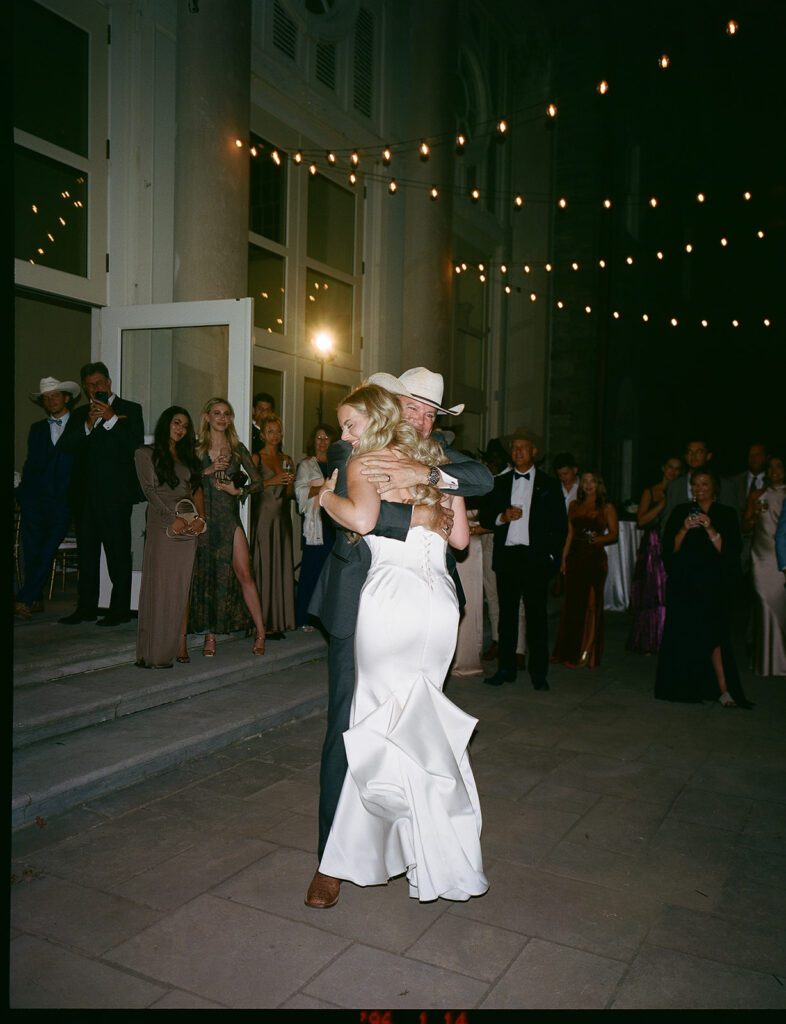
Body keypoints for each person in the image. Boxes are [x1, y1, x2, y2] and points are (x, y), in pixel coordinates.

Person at [304, 366, 493, 910]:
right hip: (361, 606)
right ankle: (329, 863)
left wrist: (427, 475)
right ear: (390, 404)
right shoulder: (355, 442)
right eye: (414, 407)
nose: (424, 418)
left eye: (432, 412)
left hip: (422, 606)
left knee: (417, 729)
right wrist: (425, 504)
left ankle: (421, 846)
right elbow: (369, 516)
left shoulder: (437, 455)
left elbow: (481, 478)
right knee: (350, 727)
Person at [655, 468, 752, 708]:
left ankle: (724, 689)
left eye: (704, 484)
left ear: (714, 488)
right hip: (684, 583)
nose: (699, 489)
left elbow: (730, 552)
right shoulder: (681, 511)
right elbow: (670, 549)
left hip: (712, 585)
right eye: (695, 485)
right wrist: (684, 529)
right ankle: (683, 685)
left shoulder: (726, 513)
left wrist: (710, 528)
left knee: (715, 634)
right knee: (684, 633)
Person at [479, 428, 567, 690]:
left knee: (537, 617)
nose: (517, 452)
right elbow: (485, 517)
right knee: (507, 618)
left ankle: (538, 673)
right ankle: (505, 669)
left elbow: (559, 525)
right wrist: (501, 517)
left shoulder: (549, 484)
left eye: (523, 447)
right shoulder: (501, 482)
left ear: (534, 452)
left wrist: (551, 557)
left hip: (535, 559)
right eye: (514, 448)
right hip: (508, 558)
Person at [58, 362, 145, 627]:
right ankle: (86, 608)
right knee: (87, 555)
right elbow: (66, 446)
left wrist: (110, 420)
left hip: (116, 497)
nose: (94, 389)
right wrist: (87, 423)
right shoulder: (81, 414)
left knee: (118, 553)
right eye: (89, 386)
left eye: (98, 383)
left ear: (108, 383)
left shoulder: (130, 410)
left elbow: (134, 447)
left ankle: (118, 610)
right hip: (85, 499)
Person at [189, 397, 266, 657]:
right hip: (205, 522)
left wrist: (238, 490)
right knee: (209, 576)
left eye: (226, 414)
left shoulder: (236, 449)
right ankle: (210, 637)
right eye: (217, 413)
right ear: (207, 417)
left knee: (245, 574)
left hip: (230, 521)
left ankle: (261, 631)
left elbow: (258, 482)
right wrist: (207, 471)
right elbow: (184, 481)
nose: (222, 418)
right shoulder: (197, 450)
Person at [134, 407, 205, 668]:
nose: (181, 429)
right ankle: (154, 653)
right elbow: (149, 491)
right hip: (163, 525)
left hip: (188, 526)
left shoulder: (188, 458)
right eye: (177, 423)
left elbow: (196, 489)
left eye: (185, 426)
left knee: (180, 589)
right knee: (160, 588)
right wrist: (170, 518)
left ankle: (176, 645)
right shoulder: (145, 453)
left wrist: (199, 519)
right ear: (166, 423)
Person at [15, 376, 82, 619]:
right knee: (32, 550)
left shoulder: (80, 424)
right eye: (46, 398)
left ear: (66, 398)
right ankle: (34, 599)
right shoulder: (37, 429)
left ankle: (24, 597)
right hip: (34, 500)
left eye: (55, 395)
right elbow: (31, 464)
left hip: (64, 501)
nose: (51, 400)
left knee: (47, 548)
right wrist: (23, 493)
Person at [551, 471, 619, 668]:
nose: (589, 485)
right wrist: (563, 560)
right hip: (575, 558)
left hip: (595, 560)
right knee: (572, 605)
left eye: (593, 481)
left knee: (591, 605)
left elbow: (614, 534)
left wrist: (599, 539)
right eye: (586, 481)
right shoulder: (574, 505)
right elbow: (570, 534)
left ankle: (587, 652)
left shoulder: (606, 507)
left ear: (599, 484)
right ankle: (568, 651)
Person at [626, 455, 684, 654]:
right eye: (670, 467)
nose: (673, 472)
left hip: (676, 542)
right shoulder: (651, 491)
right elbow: (641, 520)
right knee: (653, 593)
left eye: (677, 468)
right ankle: (651, 640)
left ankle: (671, 639)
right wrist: (662, 504)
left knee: (673, 592)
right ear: (663, 468)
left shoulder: (685, 491)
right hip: (654, 544)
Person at [252, 413, 296, 639]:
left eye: (278, 431)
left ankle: (279, 621)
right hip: (263, 518)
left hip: (282, 518)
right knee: (264, 566)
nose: (275, 435)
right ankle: (262, 622)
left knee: (281, 566)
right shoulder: (256, 458)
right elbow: (250, 488)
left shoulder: (286, 458)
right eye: (270, 431)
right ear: (262, 435)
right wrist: (272, 480)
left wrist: (289, 481)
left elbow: (289, 495)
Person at [743, 454, 786, 676]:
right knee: (764, 603)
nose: (774, 471)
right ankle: (766, 661)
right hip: (761, 556)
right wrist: (754, 516)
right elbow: (745, 526)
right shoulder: (757, 495)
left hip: (783, 556)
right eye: (770, 467)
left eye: (779, 466)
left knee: (782, 606)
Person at [294, 423, 336, 631]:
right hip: (316, 524)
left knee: (331, 574)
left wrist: (320, 487)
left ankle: (326, 619)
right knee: (311, 571)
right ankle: (305, 618)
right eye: (318, 438)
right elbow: (300, 493)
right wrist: (324, 486)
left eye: (326, 438)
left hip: (336, 523)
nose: (322, 442)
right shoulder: (306, 465)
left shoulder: (339, 464)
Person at [662, 437, 737, 528]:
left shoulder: (726, 485)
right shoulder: (674, 486)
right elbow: (666, 521)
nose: (693, 456)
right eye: (690, 452)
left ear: (708, 456)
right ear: (685, 456)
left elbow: (734, 523)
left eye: (699, 452)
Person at [250, 392, 275, 456]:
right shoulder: (248, 429)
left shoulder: (275, 431)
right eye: (260, 409)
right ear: (253, 410)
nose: (264, 412)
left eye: (267, 410)